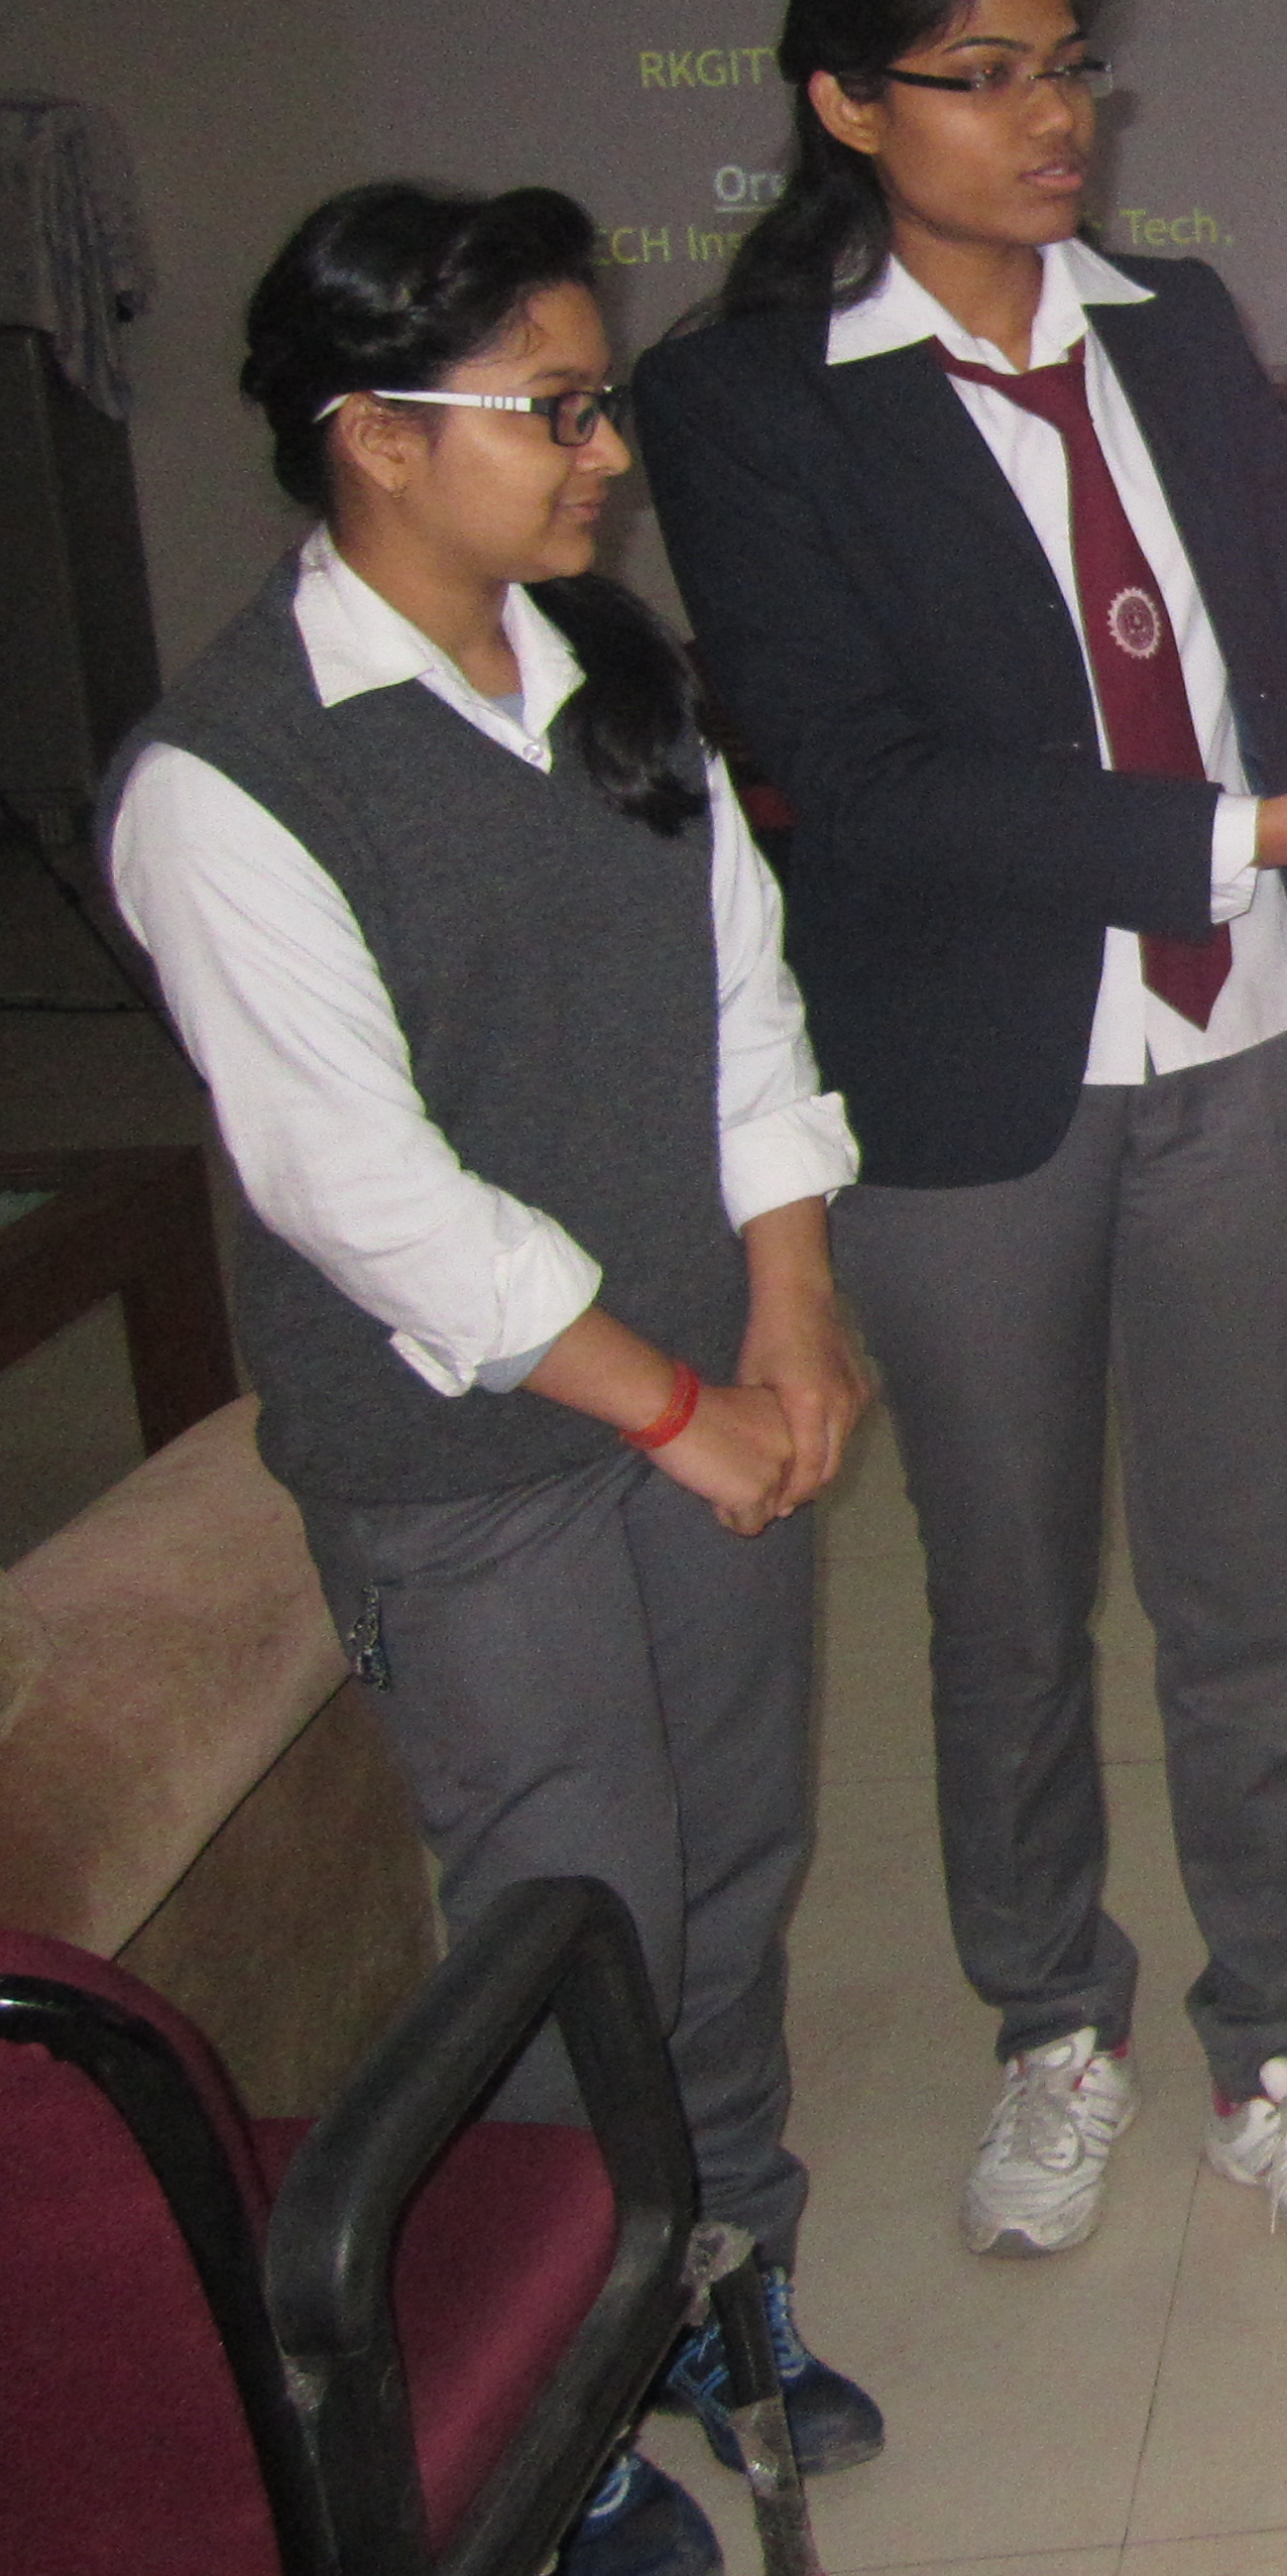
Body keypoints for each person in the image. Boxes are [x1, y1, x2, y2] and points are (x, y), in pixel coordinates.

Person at [635, 0, 1287, 2276]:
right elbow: (852, 779)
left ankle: (1281, 2046)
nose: (1053, 123)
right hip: (969, 1073)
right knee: (1006, 1603)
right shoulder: (741, 399)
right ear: (844, 102)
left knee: (1247, 1596)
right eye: (983, 77)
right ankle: (1051, 2019)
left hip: (1254, 1037)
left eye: (1070, 69)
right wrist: (1245, 834)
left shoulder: (1181, 325)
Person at [108, 181, 877, 2576]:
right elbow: (363, 1192)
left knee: (728, 1866)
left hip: (703, 1384)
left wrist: (794, 1304)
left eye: (597, 400)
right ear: (373, 436)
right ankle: (563, 2406)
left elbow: (744, 998)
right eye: (553, 410)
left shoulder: (606, 673)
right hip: (471, 1458)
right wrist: (673, 1403)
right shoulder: (228, 777)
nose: (604, 454)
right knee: (565, 1913)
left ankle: (721, 2273)